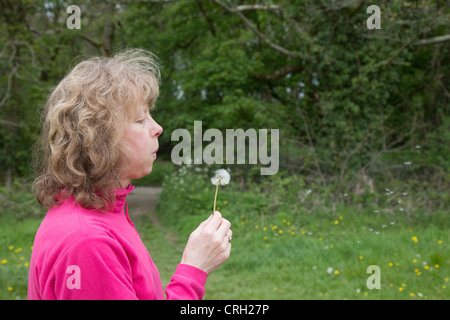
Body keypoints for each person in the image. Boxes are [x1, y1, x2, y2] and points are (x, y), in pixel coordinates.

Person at [27, 49, 232, 300]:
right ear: (101, 140)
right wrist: (193, 269)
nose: (157, 128)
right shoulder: (87, 242)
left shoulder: (101, 211)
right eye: (139, 119)